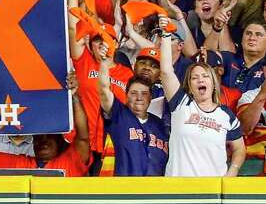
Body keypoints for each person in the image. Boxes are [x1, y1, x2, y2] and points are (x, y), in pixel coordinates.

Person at [159, 19, 245, 176]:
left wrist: (232, 171)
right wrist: (165, 35)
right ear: (189, 85)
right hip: (179, 189)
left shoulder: (226, 115)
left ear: (213, 83)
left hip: (212, 192)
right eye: (194, 77)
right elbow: (165, 71)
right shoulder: (181, 103)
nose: (200, 79)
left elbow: (239, 148)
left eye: (205, 76)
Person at [98, 54, 169, 176]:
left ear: (151, 98)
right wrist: (104, 63)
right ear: (126, 96)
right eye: (134, 93)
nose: (139, 97)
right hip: (124, 190)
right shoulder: (119, 115)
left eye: (144, 93)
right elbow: (104, 90)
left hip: (156, 190)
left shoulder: (160, 125)